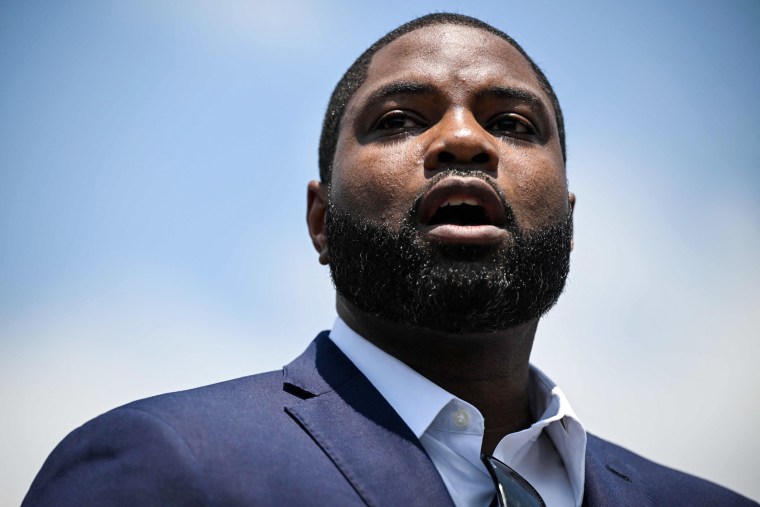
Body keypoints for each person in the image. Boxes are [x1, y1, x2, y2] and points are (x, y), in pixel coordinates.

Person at [22, 13, 756, 507]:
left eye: (512, 123)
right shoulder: (164, 466)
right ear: (321, 222)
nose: (465, 140)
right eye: (400, 119)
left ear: (566, 222)